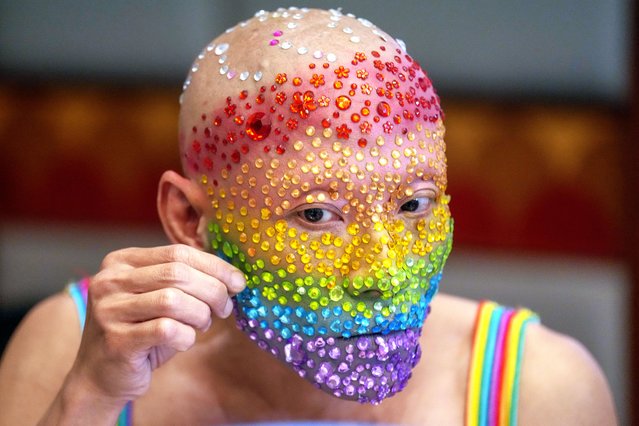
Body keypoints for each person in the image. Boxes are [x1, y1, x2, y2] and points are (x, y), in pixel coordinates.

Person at [0, 7, 617, 425]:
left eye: (413, 205)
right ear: (189, 219)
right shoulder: (66, 348)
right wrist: (88, 399)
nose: (384, 273)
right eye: (318, 215)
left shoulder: (539, 387)